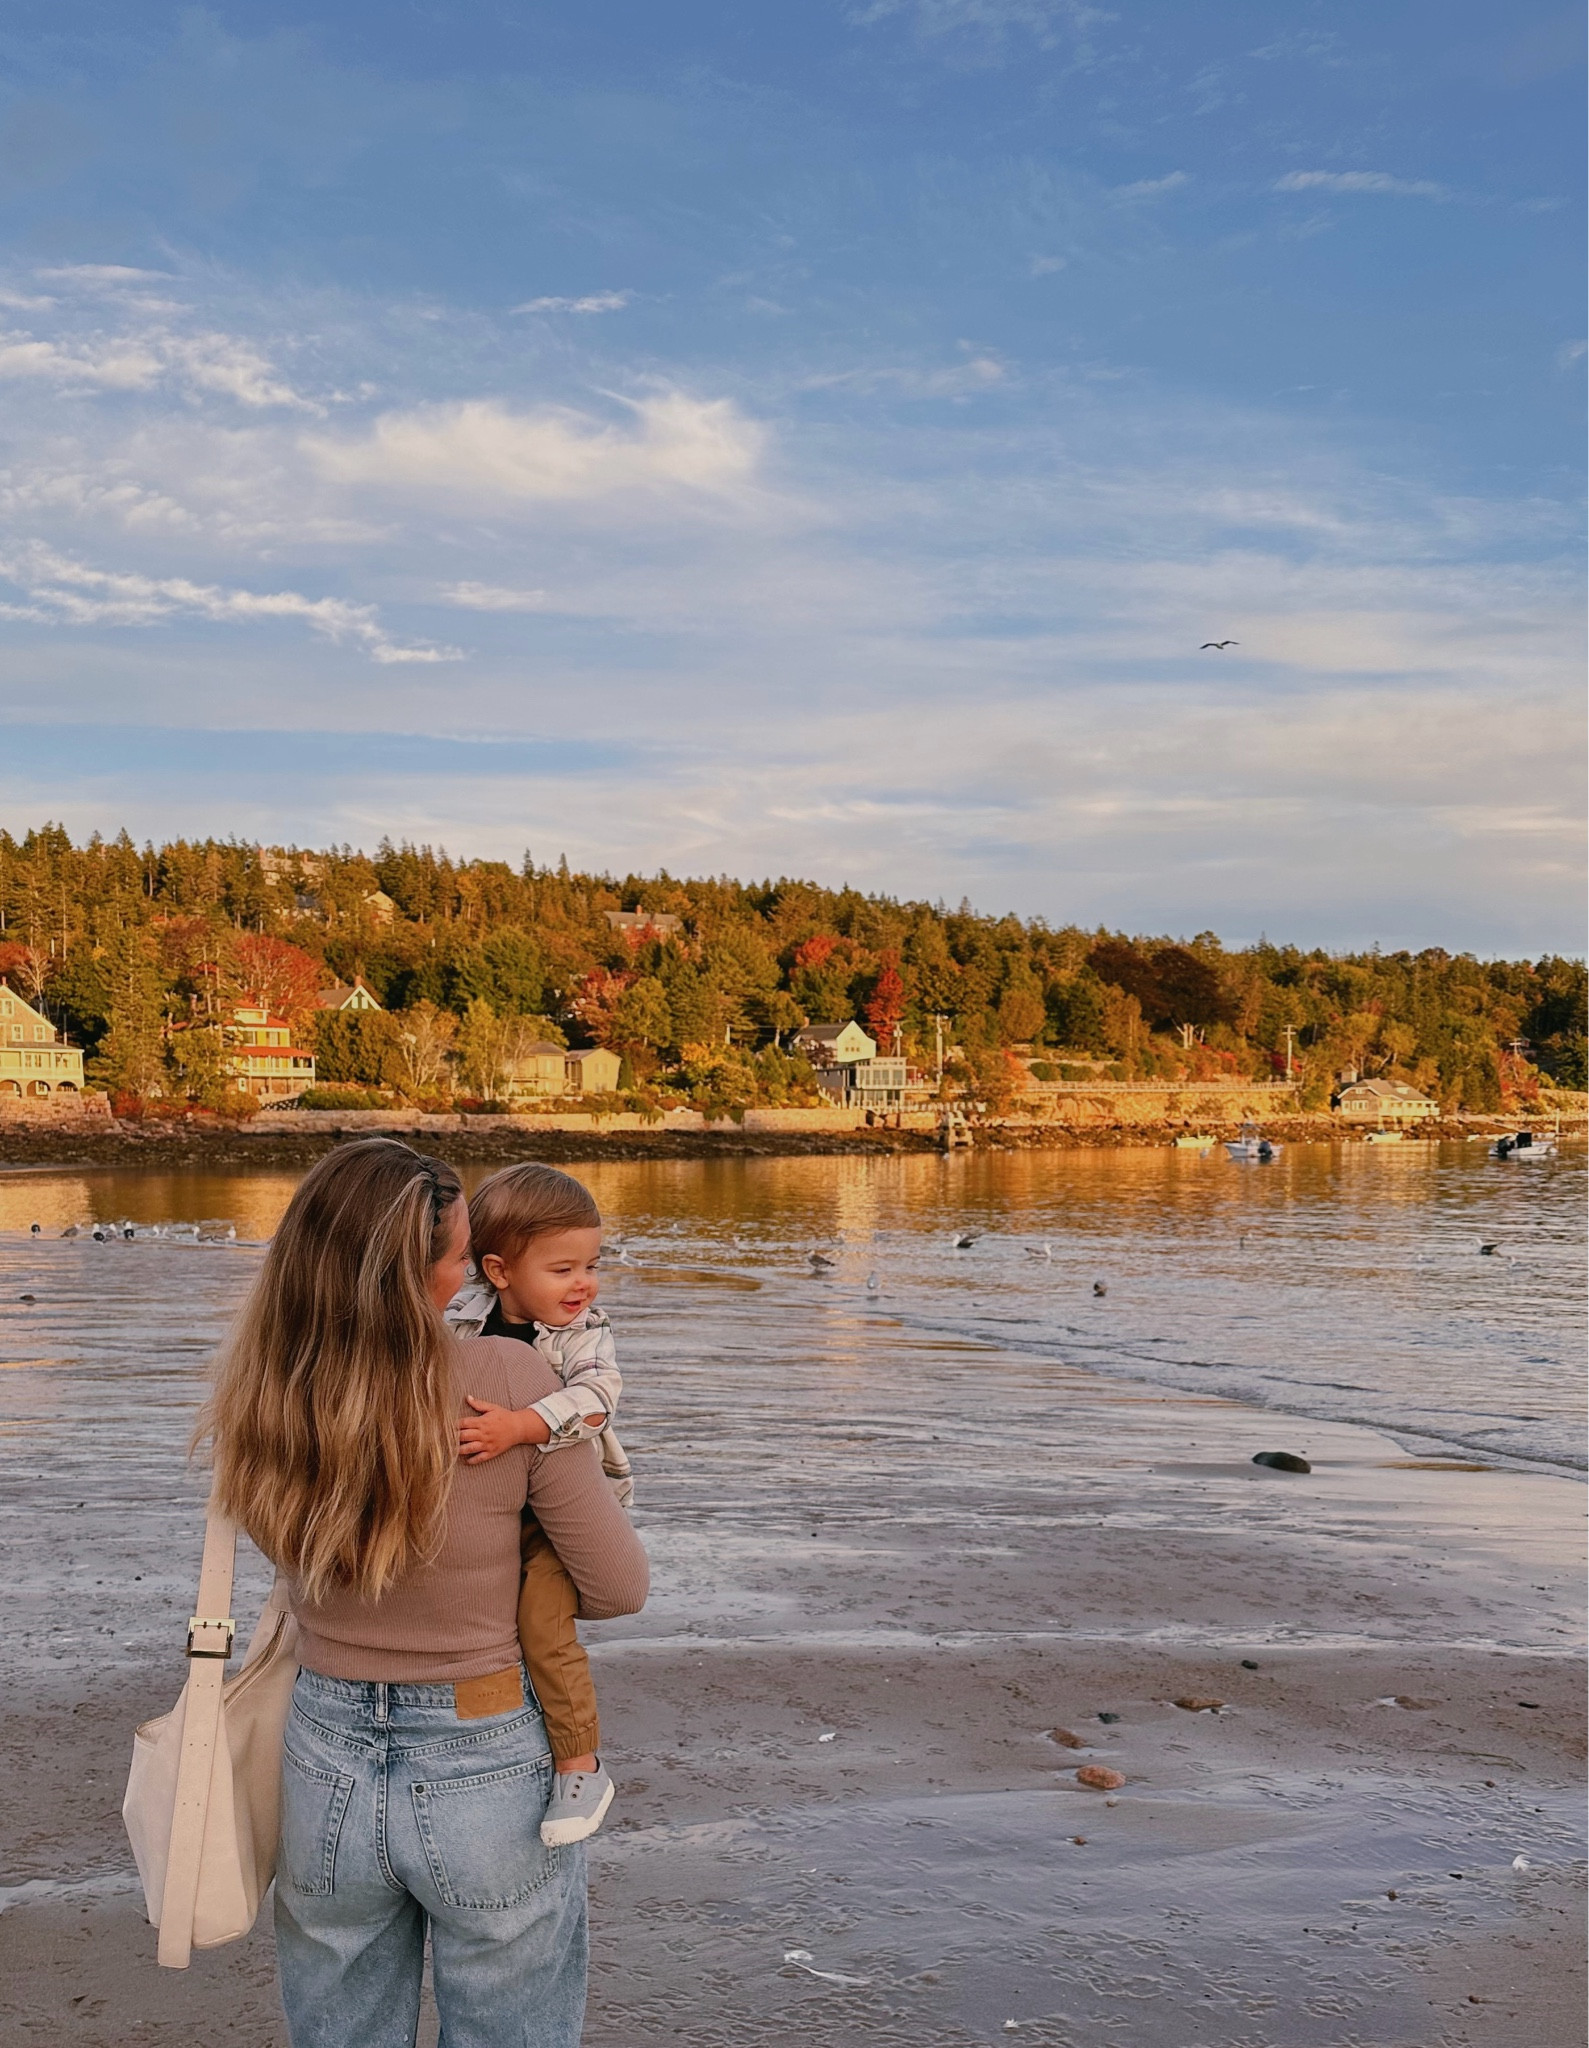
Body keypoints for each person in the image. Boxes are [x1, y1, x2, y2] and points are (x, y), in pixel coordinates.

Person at [199, 1138, 648, 2048]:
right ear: (415, 1271)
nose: (465, 1280)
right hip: (481, 1748)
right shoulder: (505, 1381)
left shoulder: (266, 1386)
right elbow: (617, 1584)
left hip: (319, 1748)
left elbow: (301, 1552)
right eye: (455, 1258)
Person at [444, 1164, 631, 1848]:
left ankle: (579, 1764)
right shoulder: (460, 1320)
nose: (583, 1284)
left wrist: (522, 1426)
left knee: (543, 1624)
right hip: (489, 1507)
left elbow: (597, 1398)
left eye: (591, 1264)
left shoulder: (585, 1335)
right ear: (497, 1270)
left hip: (563, 1519)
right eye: (562, 1269)